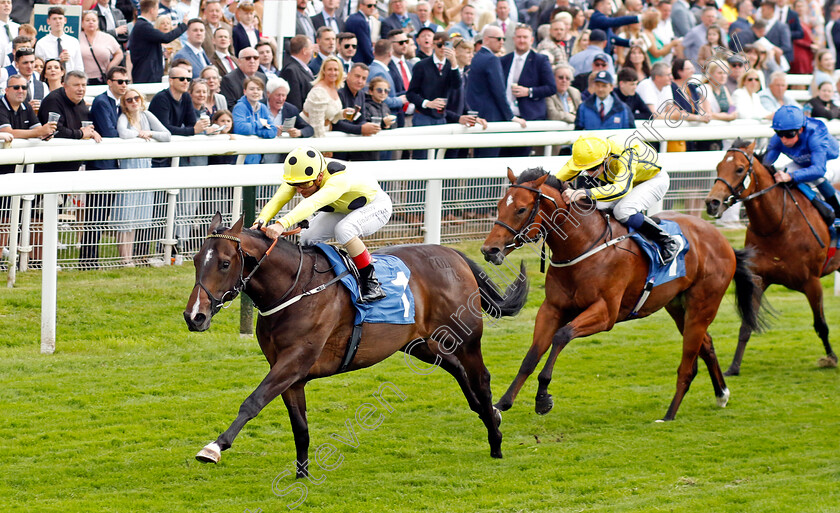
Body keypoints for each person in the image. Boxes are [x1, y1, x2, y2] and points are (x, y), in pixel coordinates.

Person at [253, 146, 393, 302]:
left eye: (305, 185)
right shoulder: (298, 176)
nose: (299, 190)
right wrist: (261, 220)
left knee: (344, 230)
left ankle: (371, 284)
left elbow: (312, 203)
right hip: (343, 208)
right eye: (295, 185)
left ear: (320, 176)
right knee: (307, 236)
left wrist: (281, 224)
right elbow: (279, 198)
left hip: (375, 206)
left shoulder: (338, 180)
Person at [556, 136, 680, 264]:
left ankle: (667, 240)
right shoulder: (586, 155)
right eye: (585, 169)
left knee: (623, 211)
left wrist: (585, 192)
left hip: (652, 180)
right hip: (626, 181)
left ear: (605, 158)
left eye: (593, 168)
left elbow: (622, 189)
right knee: (596, 205)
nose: (589, 173)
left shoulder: (625, 153)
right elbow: (558, 178)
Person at [115, 88, 171, 267]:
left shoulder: (147, 115)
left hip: (145, 170)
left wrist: (151, 133)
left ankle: (131, 258)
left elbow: (166, 135)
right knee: (126, 217)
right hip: (128, 171)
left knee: (139, 216)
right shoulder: (124, 117)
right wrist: (139, 134)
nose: (133, 102)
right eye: (129, 100)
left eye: (136, 98)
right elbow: (123, 133)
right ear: (124, 104)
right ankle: (125, 259)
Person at [765, 105, 840, 220]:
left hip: (831, 161)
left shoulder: (815, 133)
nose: (784, 139)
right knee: (781, 176)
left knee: (816, 178)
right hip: (806, 163)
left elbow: (819, 169)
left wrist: (791, 176)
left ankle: (834, 214)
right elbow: (764, 164)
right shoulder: (779, 138)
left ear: (800, 129)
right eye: (779, 133)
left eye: (789, 134)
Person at [466, 25, 526, 158]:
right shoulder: (491, 59)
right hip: (491, 119)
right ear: (486, 39)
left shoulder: (477, 57)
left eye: (503, 39)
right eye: (499, 39)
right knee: (488, 163)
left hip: (478, 115)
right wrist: (510, 116)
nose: (502, 42)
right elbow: (499, 91)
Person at [129, 0, 187, 83]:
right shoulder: (143, 26)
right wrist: (183, 26)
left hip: (147, 75)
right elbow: (166, 38)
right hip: (146, 76)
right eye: (157, 9)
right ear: (152, 10)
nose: (157, 12)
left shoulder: (142, 25)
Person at [232, 76, 276, 164]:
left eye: (259, 89)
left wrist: (256, 131)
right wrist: (260, 124)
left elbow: (273, 131)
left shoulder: (263, 108)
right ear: (245, 91)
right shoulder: (240, 107)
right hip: (240, 156)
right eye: (252, 89)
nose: (255, 92)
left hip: (257, 156)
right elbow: (241, 128)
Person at [0, 74, 56, 140]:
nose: (20, 91)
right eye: (16, 87)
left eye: (24, 88)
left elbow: (37, 128)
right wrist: (39, 132)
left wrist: (45, 134)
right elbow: (7, 133)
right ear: (6, 90)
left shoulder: (26, 106)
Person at [301, 55, 345, 138]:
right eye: (329, 69)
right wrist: (324, 148)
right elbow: (316, 125)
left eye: (336, 70)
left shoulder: (333, 88)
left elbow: (329, 114)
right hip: (311, 136)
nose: (333, 73)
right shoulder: (319, 91)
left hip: (325, 133)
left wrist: (343, 114)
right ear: (323, 71)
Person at [34, 7, 85, 73]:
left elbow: (79, 66)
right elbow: (39, 67)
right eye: (54, 19)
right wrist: (58, 60)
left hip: (70, 79)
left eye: (60, 18)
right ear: (48, 21)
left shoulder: (74, 42)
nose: (58, 21)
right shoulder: (41, 43)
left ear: (65, 20)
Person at [79, 9, 123, 85]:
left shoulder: (107, 37)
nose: (91, 22)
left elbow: (119, 54)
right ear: (82, 23)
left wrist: (110, 67)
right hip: (82, 79)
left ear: (98, 23)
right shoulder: (77, 38)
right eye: (87, 20)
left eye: (94, 20)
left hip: (103, 78)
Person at [280, 35, 315, 111]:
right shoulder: (291, 70)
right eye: (311, 49)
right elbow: (294, 100)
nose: (312, 52)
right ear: (304, 51)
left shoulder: (304, 67)